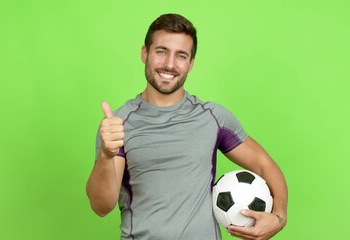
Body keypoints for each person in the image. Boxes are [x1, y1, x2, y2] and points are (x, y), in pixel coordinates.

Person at [86, 13, 288, 240]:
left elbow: (264, 165)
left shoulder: (213, 118)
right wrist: (106, 154)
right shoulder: (118, 125)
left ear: (191, 63)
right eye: (161, 51)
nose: (169, 64)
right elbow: (101, 206)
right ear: (145, 53)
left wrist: (279, 217)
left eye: (181, 55)